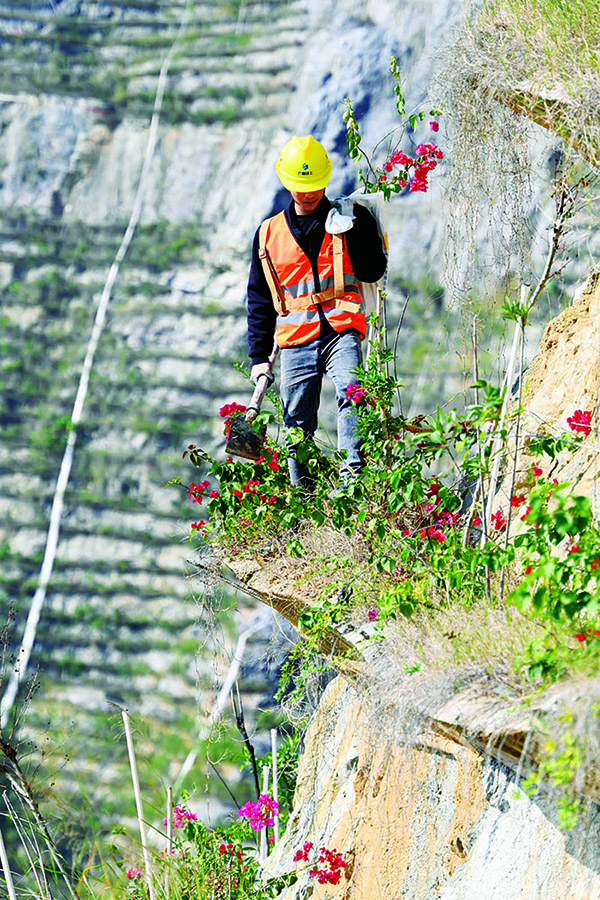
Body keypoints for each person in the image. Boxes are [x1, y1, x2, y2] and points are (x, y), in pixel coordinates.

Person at [246, 134, 387, 489]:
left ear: (325, 180)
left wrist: (354, 232)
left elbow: (372, 271)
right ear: (286, 181)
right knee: (297, 424)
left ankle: (351, 481)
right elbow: (260, 299)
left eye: (313, 185)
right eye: (299, 186)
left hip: (342, 327)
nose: (307, 193)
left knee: (353, 389)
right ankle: (303, 496)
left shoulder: (353, 217)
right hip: (295, 339)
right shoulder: (268, 235)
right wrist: (259, 357)